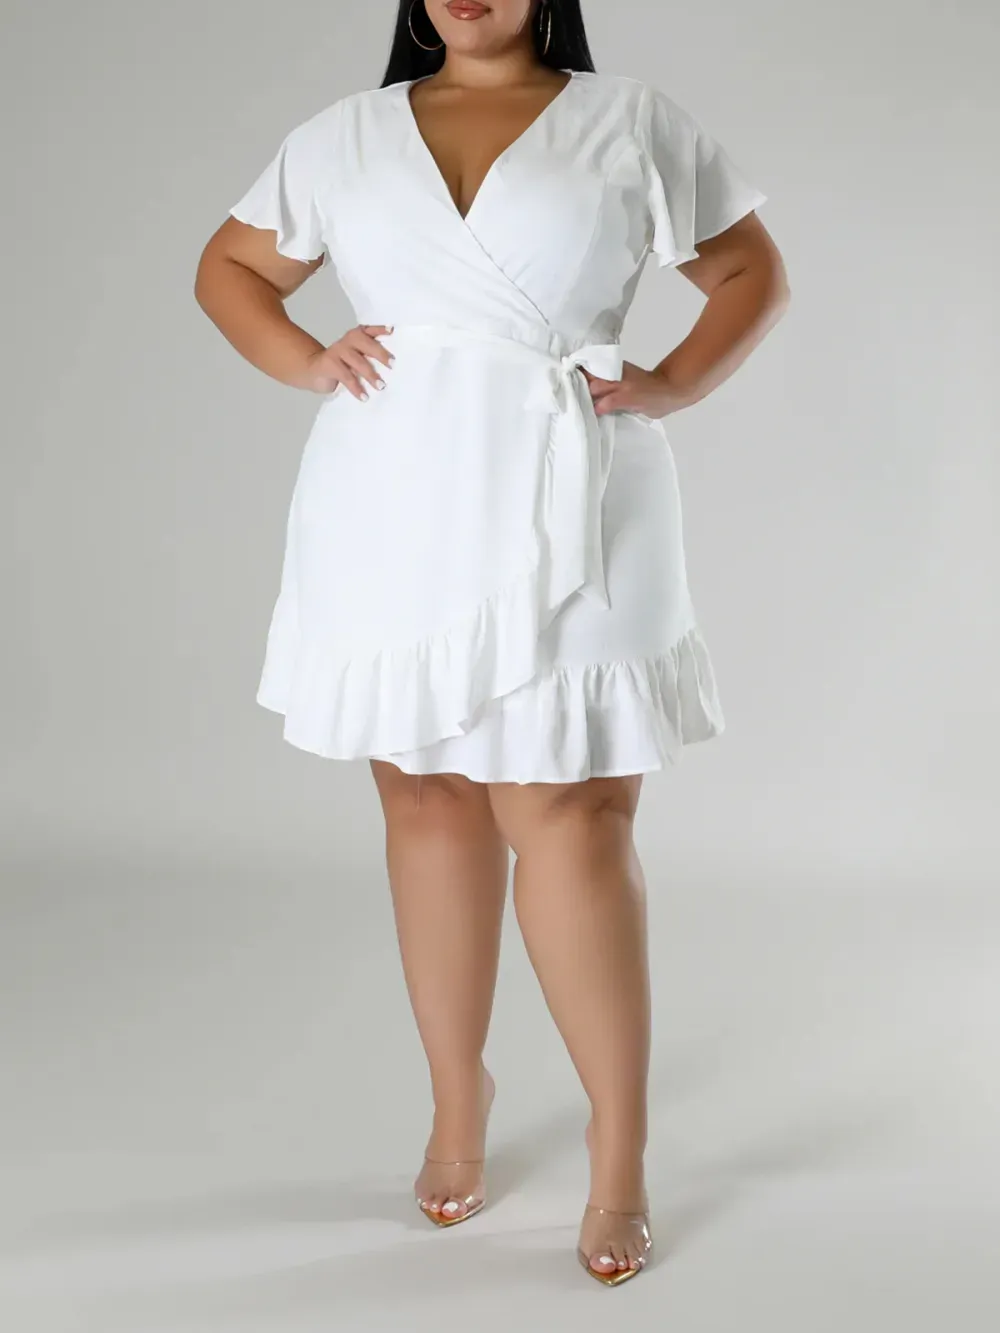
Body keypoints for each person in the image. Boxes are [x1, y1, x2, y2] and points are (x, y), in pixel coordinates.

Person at [194, 0, 789, 1287]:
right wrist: (307, 360)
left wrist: (675, 380)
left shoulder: (629, 119)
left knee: (572, 813)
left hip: (577, 485)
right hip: (392, 492)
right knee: (423, 798)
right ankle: (456, 1099)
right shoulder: (343, 135)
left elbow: (751, 271)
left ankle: (618, 1153)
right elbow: (228, 269)